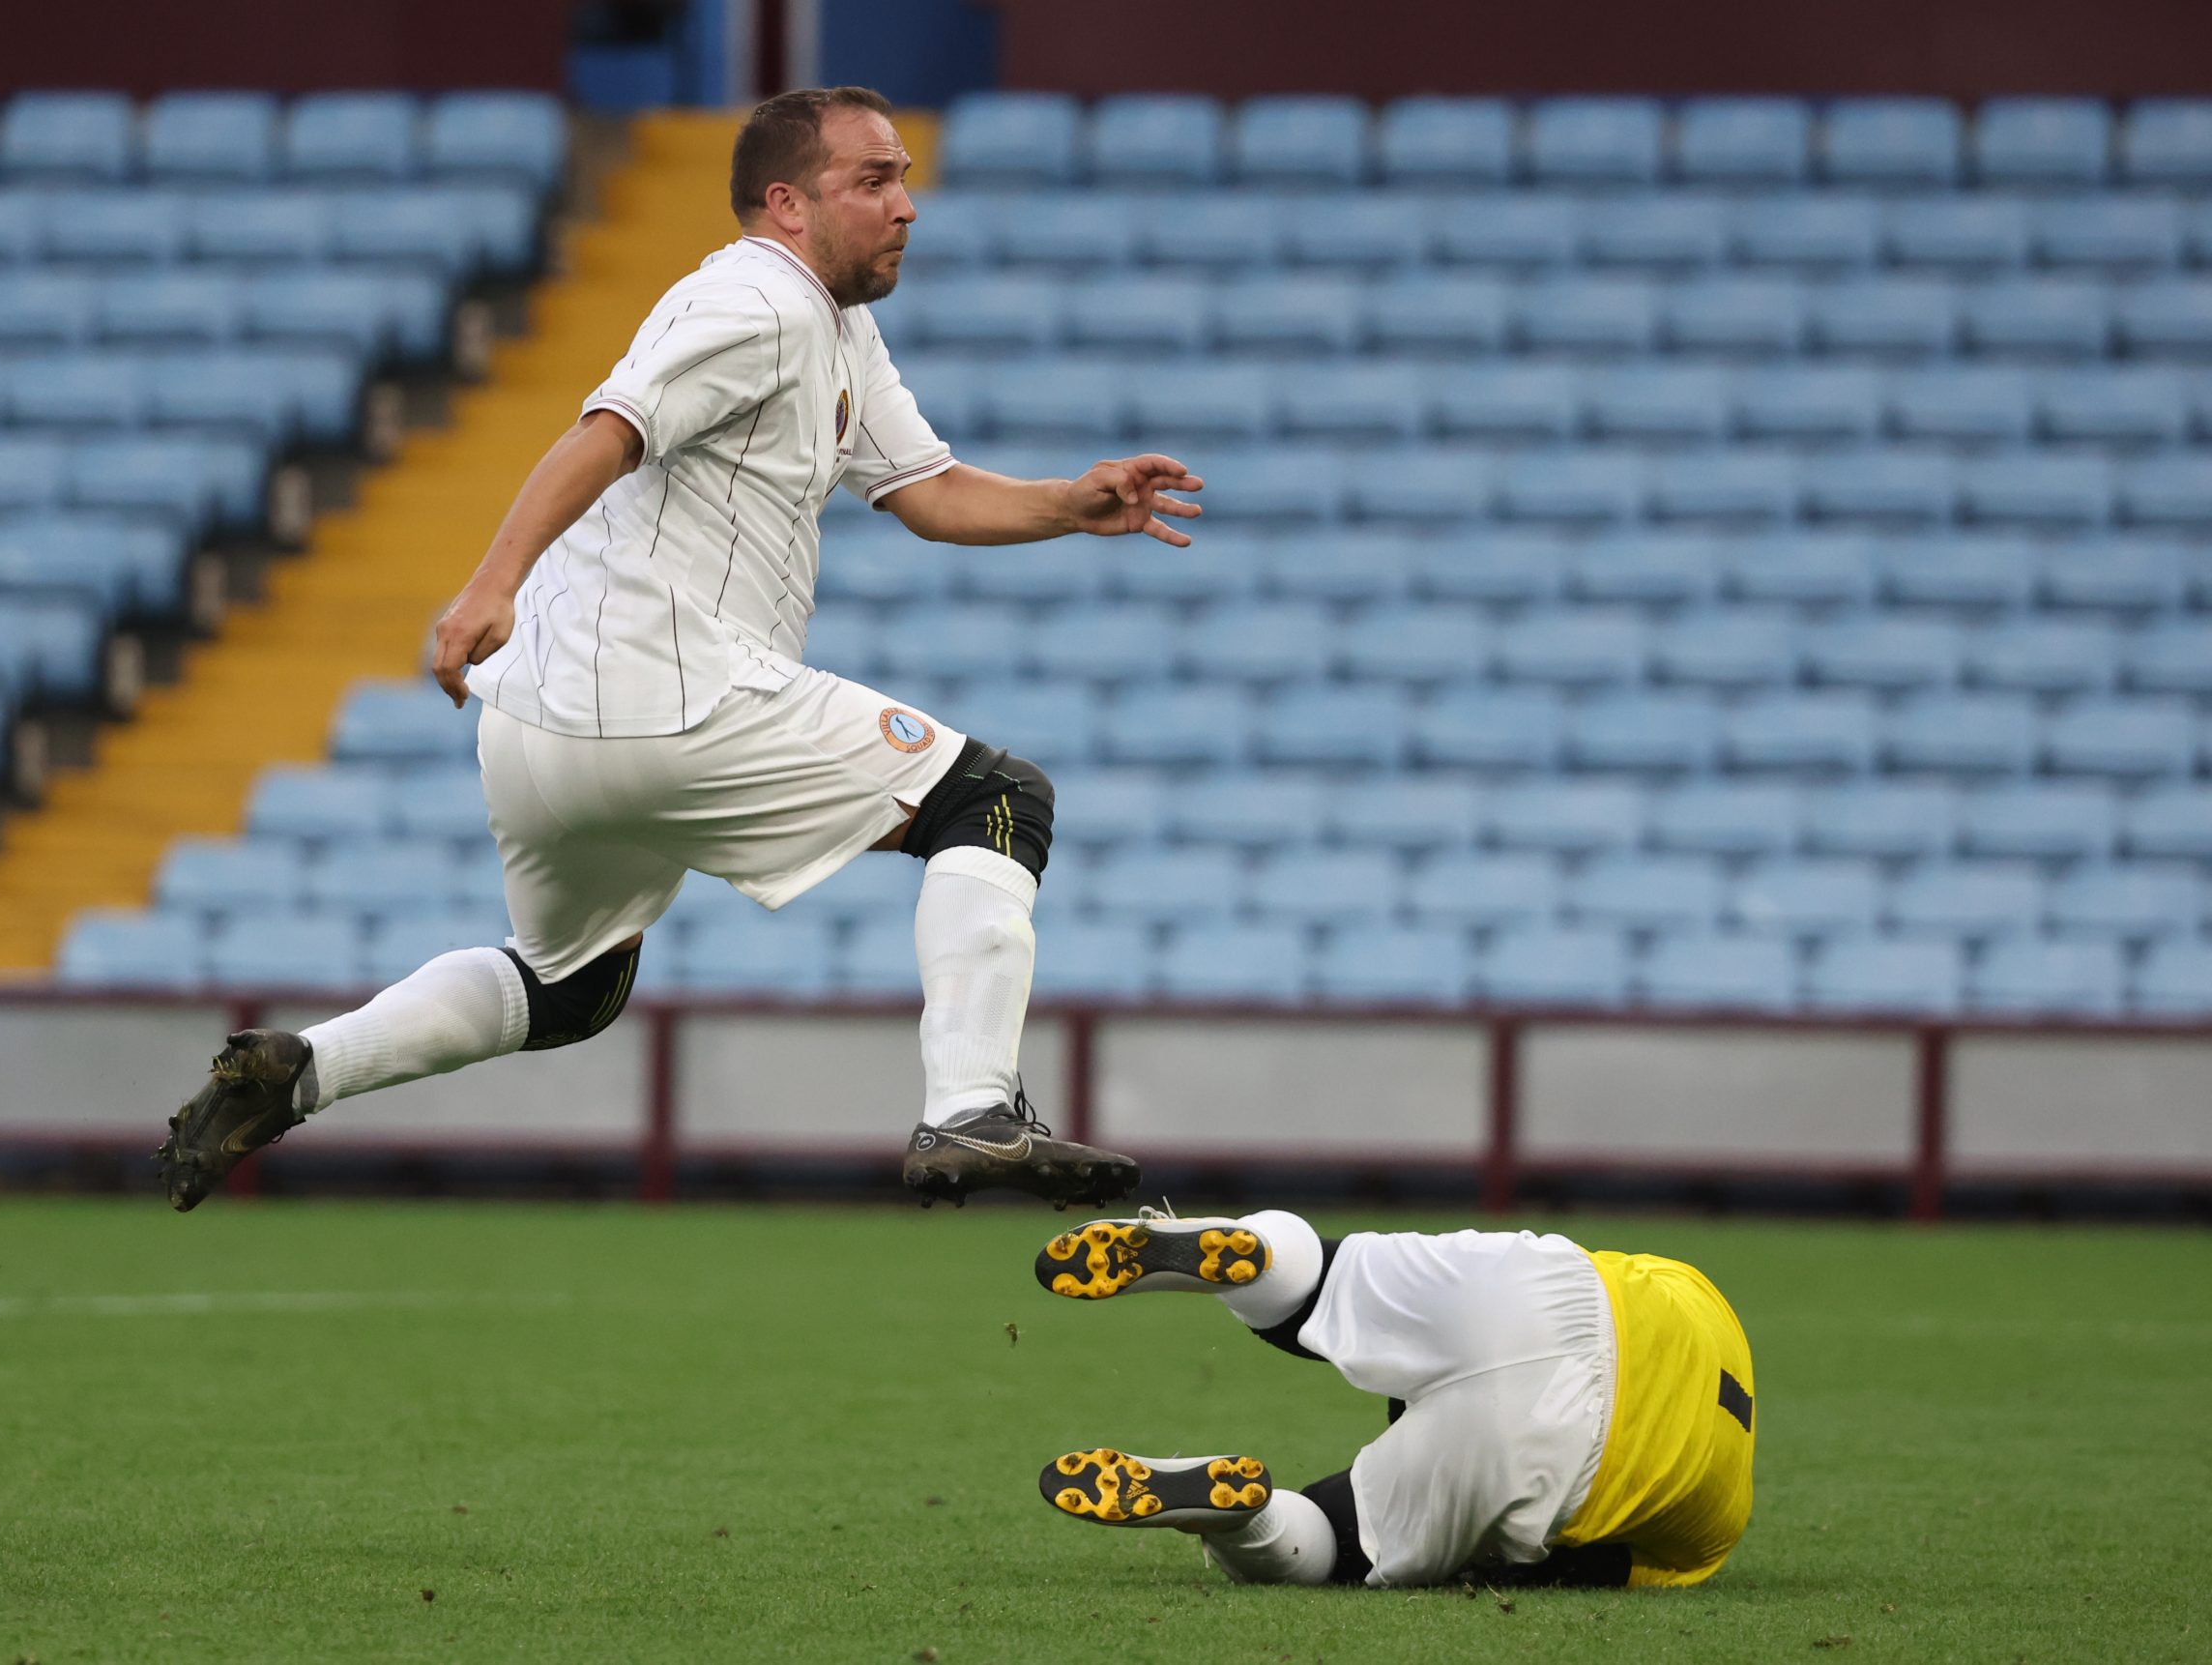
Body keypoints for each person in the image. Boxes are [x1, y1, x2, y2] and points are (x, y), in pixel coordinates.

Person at [157, 85, 1202, 1212]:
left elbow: (929, 490)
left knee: (567, 986)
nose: (906, 204)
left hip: (539, 731)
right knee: (994, 800)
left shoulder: (835, 324)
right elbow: (607, 431)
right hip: (670, 696)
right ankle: (971, 1110)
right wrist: (489, 586)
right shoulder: (753, 302)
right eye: (873, 180)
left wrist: (1066, 502)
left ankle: (299, 1071)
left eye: (903, 177)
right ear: (788, 203)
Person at [1032, 1209, 1756, 1590]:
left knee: (1320, 1279)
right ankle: (1241, 1518)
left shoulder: (1714, 1307)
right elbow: (1582, 1569)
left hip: (1560, 1290)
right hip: (1561, 1446)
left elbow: (1622, 1267)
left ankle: (1255, 1252)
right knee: (1339, 1544)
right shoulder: (1707, 1544)